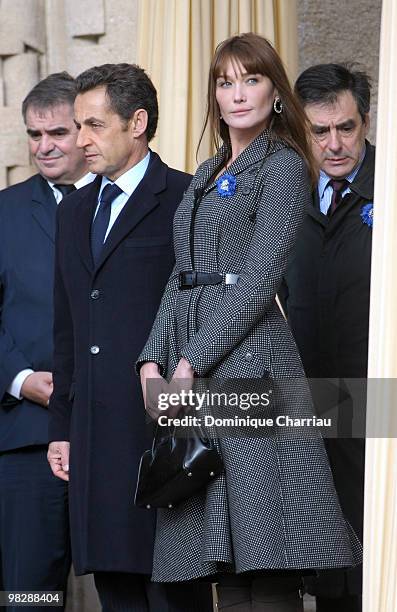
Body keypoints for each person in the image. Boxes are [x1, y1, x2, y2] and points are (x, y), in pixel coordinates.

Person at [137, 34, 362, 612]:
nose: (237, 94)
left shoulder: (284, 165)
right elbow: (181, 275)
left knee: (267, 549)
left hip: (252, 365)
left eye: (251, 80)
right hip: (195, 365)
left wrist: (191, 360)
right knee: (225, 552)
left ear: (275, 93)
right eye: (225, 82)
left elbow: (261, 280)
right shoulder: (209, 170)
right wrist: (152, 357)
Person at [47, 63, 213, 612]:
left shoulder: (187, 199)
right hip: (93, 436)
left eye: (94, 125)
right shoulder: (72, 210)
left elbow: (210, 308)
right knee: (115, 589)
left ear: (137, 122)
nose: (81, 140)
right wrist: (61, 430)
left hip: (159, 432)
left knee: (172, 593)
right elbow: (67, 329)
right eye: (78, 125)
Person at [281, 64, 374, 612]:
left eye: (347, 127)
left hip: (379, 406)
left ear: (364, 121)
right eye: (320, 131)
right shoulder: (283, 194)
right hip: (306, 407)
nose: (335, 144)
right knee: (328, 575)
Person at [0, 72, 93, 610]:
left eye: (56, 132)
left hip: (116, 435)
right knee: (29, 597)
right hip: (27, 439)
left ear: (85, 132)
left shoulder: (129, 202)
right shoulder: (5, 212)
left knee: (136, 588)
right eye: (33, 135)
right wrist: (21, 380)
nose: (44, 147)